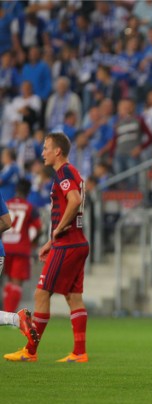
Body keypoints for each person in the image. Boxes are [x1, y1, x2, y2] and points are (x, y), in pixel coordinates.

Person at [4, 132, 90, 363]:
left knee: (41, 293)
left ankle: (30, 351)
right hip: (76, 241)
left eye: (45, 148)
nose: (42, 153)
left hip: (68, 244)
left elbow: (73, 200)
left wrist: (57, 231)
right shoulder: (71, 173)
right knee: (74, 298)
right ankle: (79, 352)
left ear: (57, 151)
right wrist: (51, 241)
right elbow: (70, 203)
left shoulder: (64, 172)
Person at [2, 179, 42, 312]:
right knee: (16, 283)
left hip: (5, 247)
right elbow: (37, 228)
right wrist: (33, 244)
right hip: (21, 248)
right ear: (28, 192)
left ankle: (6, 315)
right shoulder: (30, 208)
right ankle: (9, 316)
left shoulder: (6, 204)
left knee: (8, 282)